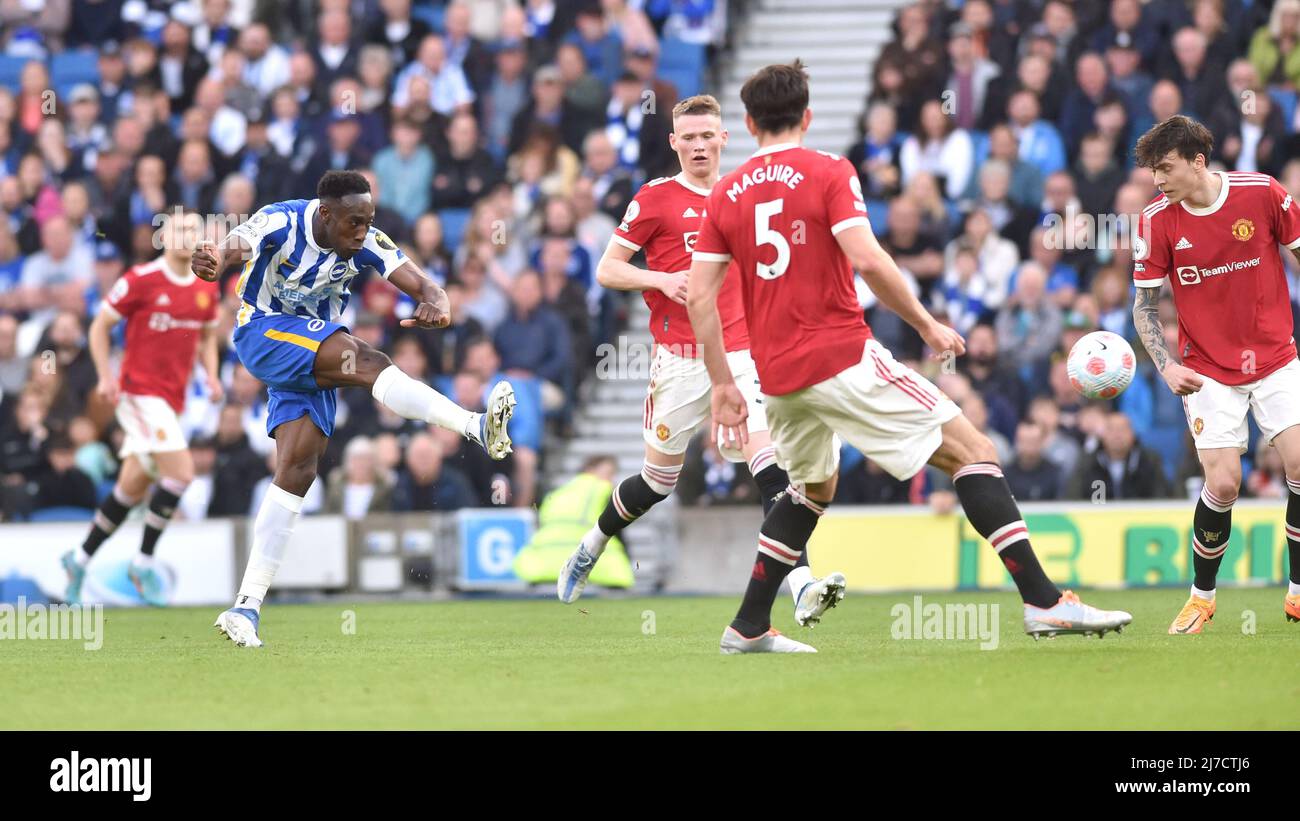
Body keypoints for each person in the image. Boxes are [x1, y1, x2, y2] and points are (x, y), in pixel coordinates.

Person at [686, 61, 1132, 654]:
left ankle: (746, 626)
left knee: (810, 492)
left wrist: (722, 383)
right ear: (808, 116)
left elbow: (698, 297)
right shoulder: (828, 171)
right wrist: (926, 324)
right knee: (975, 452)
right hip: (841, 358)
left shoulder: (725, 196)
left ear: (745, 123)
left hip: (779, 378)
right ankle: (1045, 602)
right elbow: (869, 261)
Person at [555, 94, 846, 627]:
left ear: (723, 139)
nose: (697, 145)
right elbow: (607, 270)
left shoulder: (743, 198)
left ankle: (802, 584)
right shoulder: (654, 199)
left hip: (743, 356)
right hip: (679, 361)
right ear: (673, 143)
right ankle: (592, 544)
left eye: (706, 135)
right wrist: (661, 278)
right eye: (687, 137)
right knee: (655, 484)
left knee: (771, 467)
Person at [192, 170, 516, 648]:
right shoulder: (280, 221)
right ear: (326, 214)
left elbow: (428, 286)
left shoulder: (367, 239)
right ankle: (475, 425)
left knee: (298, 470)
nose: (362, 232)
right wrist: (216, 256)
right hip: (262, 332)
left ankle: (246, 607)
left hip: (310, 347)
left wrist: (438, 305)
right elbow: (237, 244)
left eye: (368, 221)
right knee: (368, 361)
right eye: (354, 223)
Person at [1129, 115, 1300, 633]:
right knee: (1224, 484)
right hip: (1207, 371)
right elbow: (1144, 306)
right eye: (1152, 171)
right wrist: (1165, 365)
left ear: (1197, 162)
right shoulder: (1156, 221)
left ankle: (1297, 589)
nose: (1157, 180)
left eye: (1165, 168)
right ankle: (1202, 596)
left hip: (1276, 358)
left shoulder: (1263, 193)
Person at [62, 209, 222, 606]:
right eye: (179, 230)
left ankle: (78, 559)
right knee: (182, 474)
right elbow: (99, 326)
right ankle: (145, 563)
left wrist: (212, 376)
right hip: (138, 395)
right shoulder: (140, 280)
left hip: (173, 402)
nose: (186, 236)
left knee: (131, 488)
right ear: (164, 239)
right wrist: (104, 375)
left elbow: (205, 337)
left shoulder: (207, 286)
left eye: (192, 230)